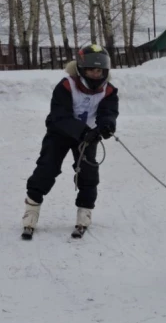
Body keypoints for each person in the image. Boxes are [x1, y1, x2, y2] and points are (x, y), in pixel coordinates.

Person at [21, 43, 119, 239]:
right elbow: (60, 115)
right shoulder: (66, 85)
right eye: (91, 70)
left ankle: (84, 213)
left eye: (99, 70)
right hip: (60, 133)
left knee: (88, 173)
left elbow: (108, 111)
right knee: (46, 169)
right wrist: (82, 131)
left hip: (88, 136)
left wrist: (106, 125)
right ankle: (31, 212)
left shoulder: (108, 90)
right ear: (81, 69)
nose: (95, 74)